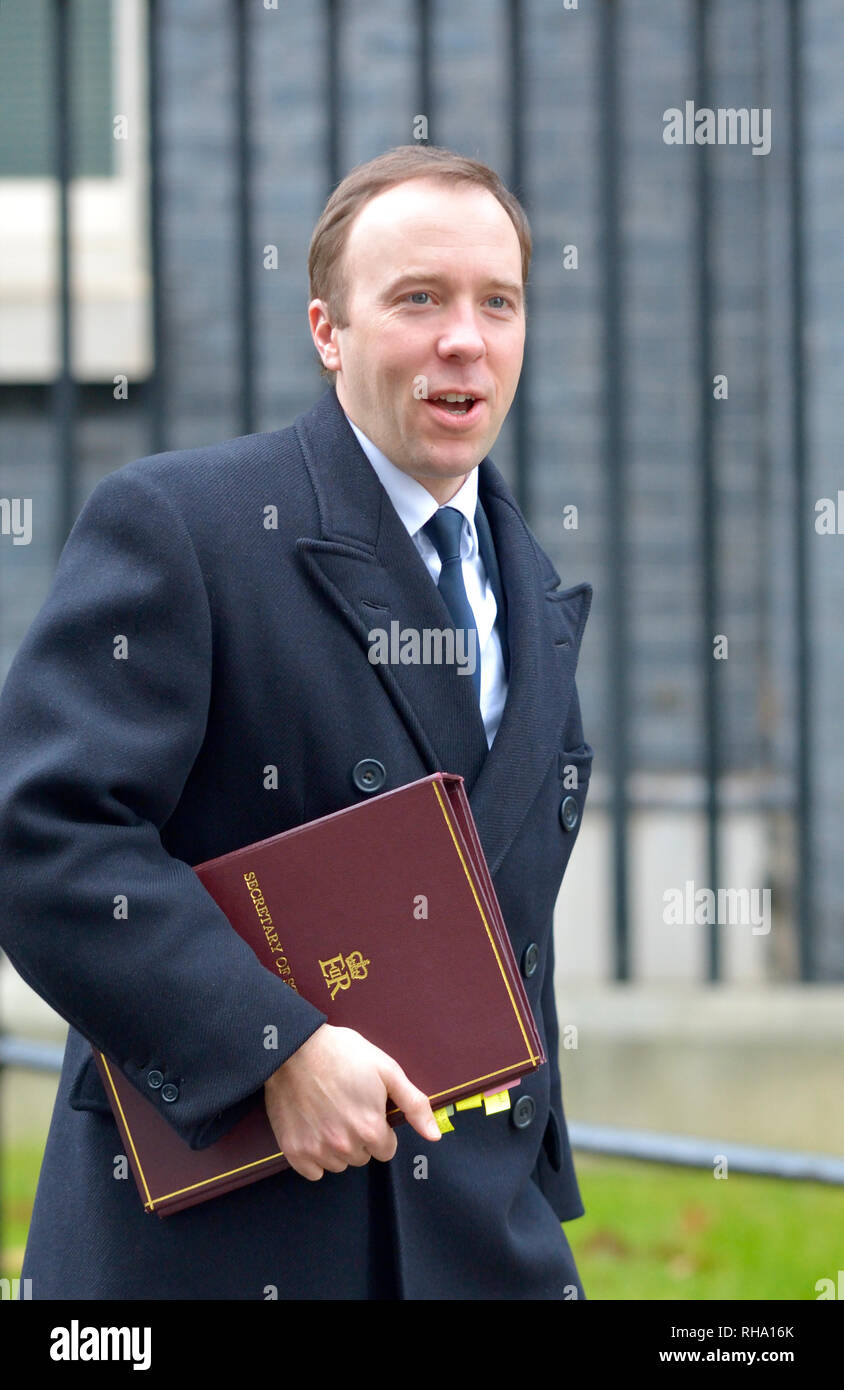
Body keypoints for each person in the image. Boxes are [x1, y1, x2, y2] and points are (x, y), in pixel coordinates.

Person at [0, 144, 594, 1300]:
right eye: (417, 298)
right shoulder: (185, 523)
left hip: (480, 1237)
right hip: (225, 1243)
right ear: (328, 330)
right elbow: (45, 833)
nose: (463, 338)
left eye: (497, 302)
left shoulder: (532, 587)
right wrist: (270, 1048)